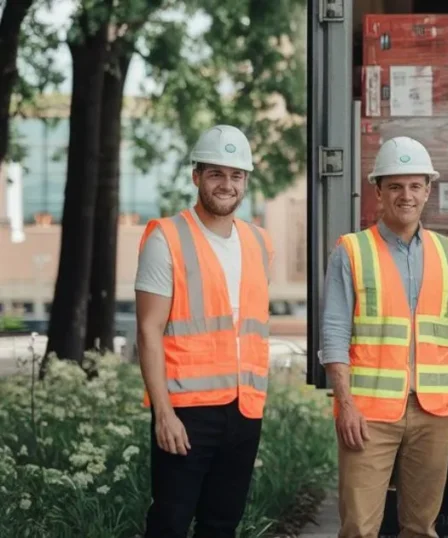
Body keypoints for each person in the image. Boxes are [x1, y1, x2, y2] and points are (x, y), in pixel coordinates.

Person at [319, 135, 448, 538]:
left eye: (415, 185)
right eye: (395, 186)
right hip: (368, 414)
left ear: (428, 191)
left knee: (420, 527)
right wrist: (345, 404)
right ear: (378, 191)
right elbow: (334, 332)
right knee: (359, 527)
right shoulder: (352, 251)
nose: (406, 195)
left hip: (435, 412)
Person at [134, 125, 274, 538]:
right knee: (170, 523)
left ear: (246, 181)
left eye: (236, 175)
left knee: (222, 524)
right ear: (197, 177)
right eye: (216, 174)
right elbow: (148, 330)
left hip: (244, 408)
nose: (226, 185)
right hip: (186, 412)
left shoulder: (260, 242)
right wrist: (163, 413)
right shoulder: (167, 238)